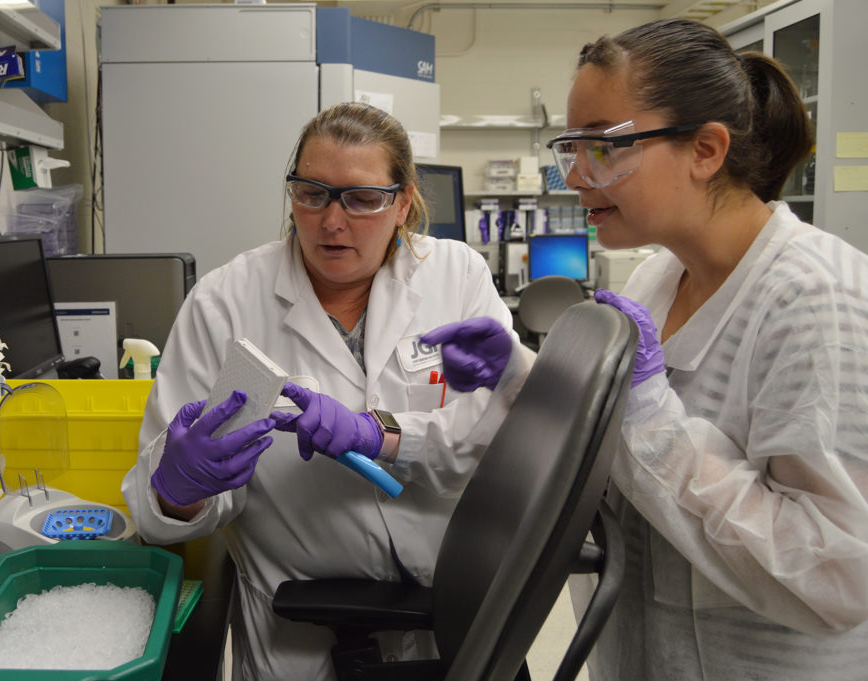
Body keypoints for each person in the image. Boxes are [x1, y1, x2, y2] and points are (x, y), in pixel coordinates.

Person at [425, 17, 868, 681]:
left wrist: (649, 415)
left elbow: (837, 574)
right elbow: (622, 454)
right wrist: (523, 376)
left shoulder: (814, 298)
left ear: (706, 150)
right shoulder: (660, 275)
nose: (573, 177)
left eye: (602, 147)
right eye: (569, 148)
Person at [121, 101, 533, 680]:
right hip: (302, 637)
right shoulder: (225, 302)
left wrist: (384, 434)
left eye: (363, 199)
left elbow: (504, 439)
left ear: (403, 202)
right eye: (312, 194)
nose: (332, 221)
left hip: (457, 619)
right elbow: (159, 510)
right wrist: (180, 488)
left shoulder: (456, 275)